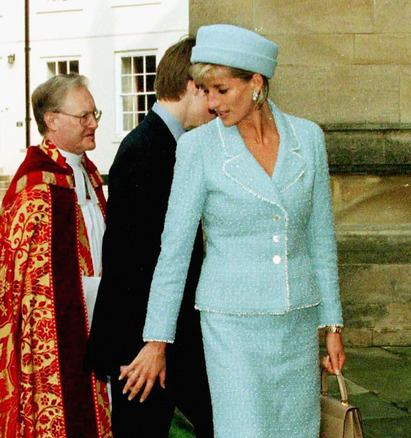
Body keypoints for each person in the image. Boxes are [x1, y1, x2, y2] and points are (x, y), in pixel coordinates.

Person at [120, 24, 346, 437]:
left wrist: (332, 325)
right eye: (204, 90)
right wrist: (157, 340)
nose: (210, 102)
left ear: (255, 83)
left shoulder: (308, 138)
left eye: (220, 90)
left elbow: (320, 238)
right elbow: (174, 250)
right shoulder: (198, 148)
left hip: (297, 319)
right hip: (232, 325)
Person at [85, 37, 215, 437]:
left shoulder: (166, 143)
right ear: (194, 86)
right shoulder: (147, 149)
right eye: (214, 92)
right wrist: (151, 346)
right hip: (142, 344)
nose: (217, 108)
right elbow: (133, 262)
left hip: (162, 336)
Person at [0, 74, 112, 437]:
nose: (93, 123)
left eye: (94, 113)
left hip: (99, 318)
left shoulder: (88, 173)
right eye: (84, 116)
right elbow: (17, 278)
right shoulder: (35, 186)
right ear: (52, 121)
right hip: (55, 337)